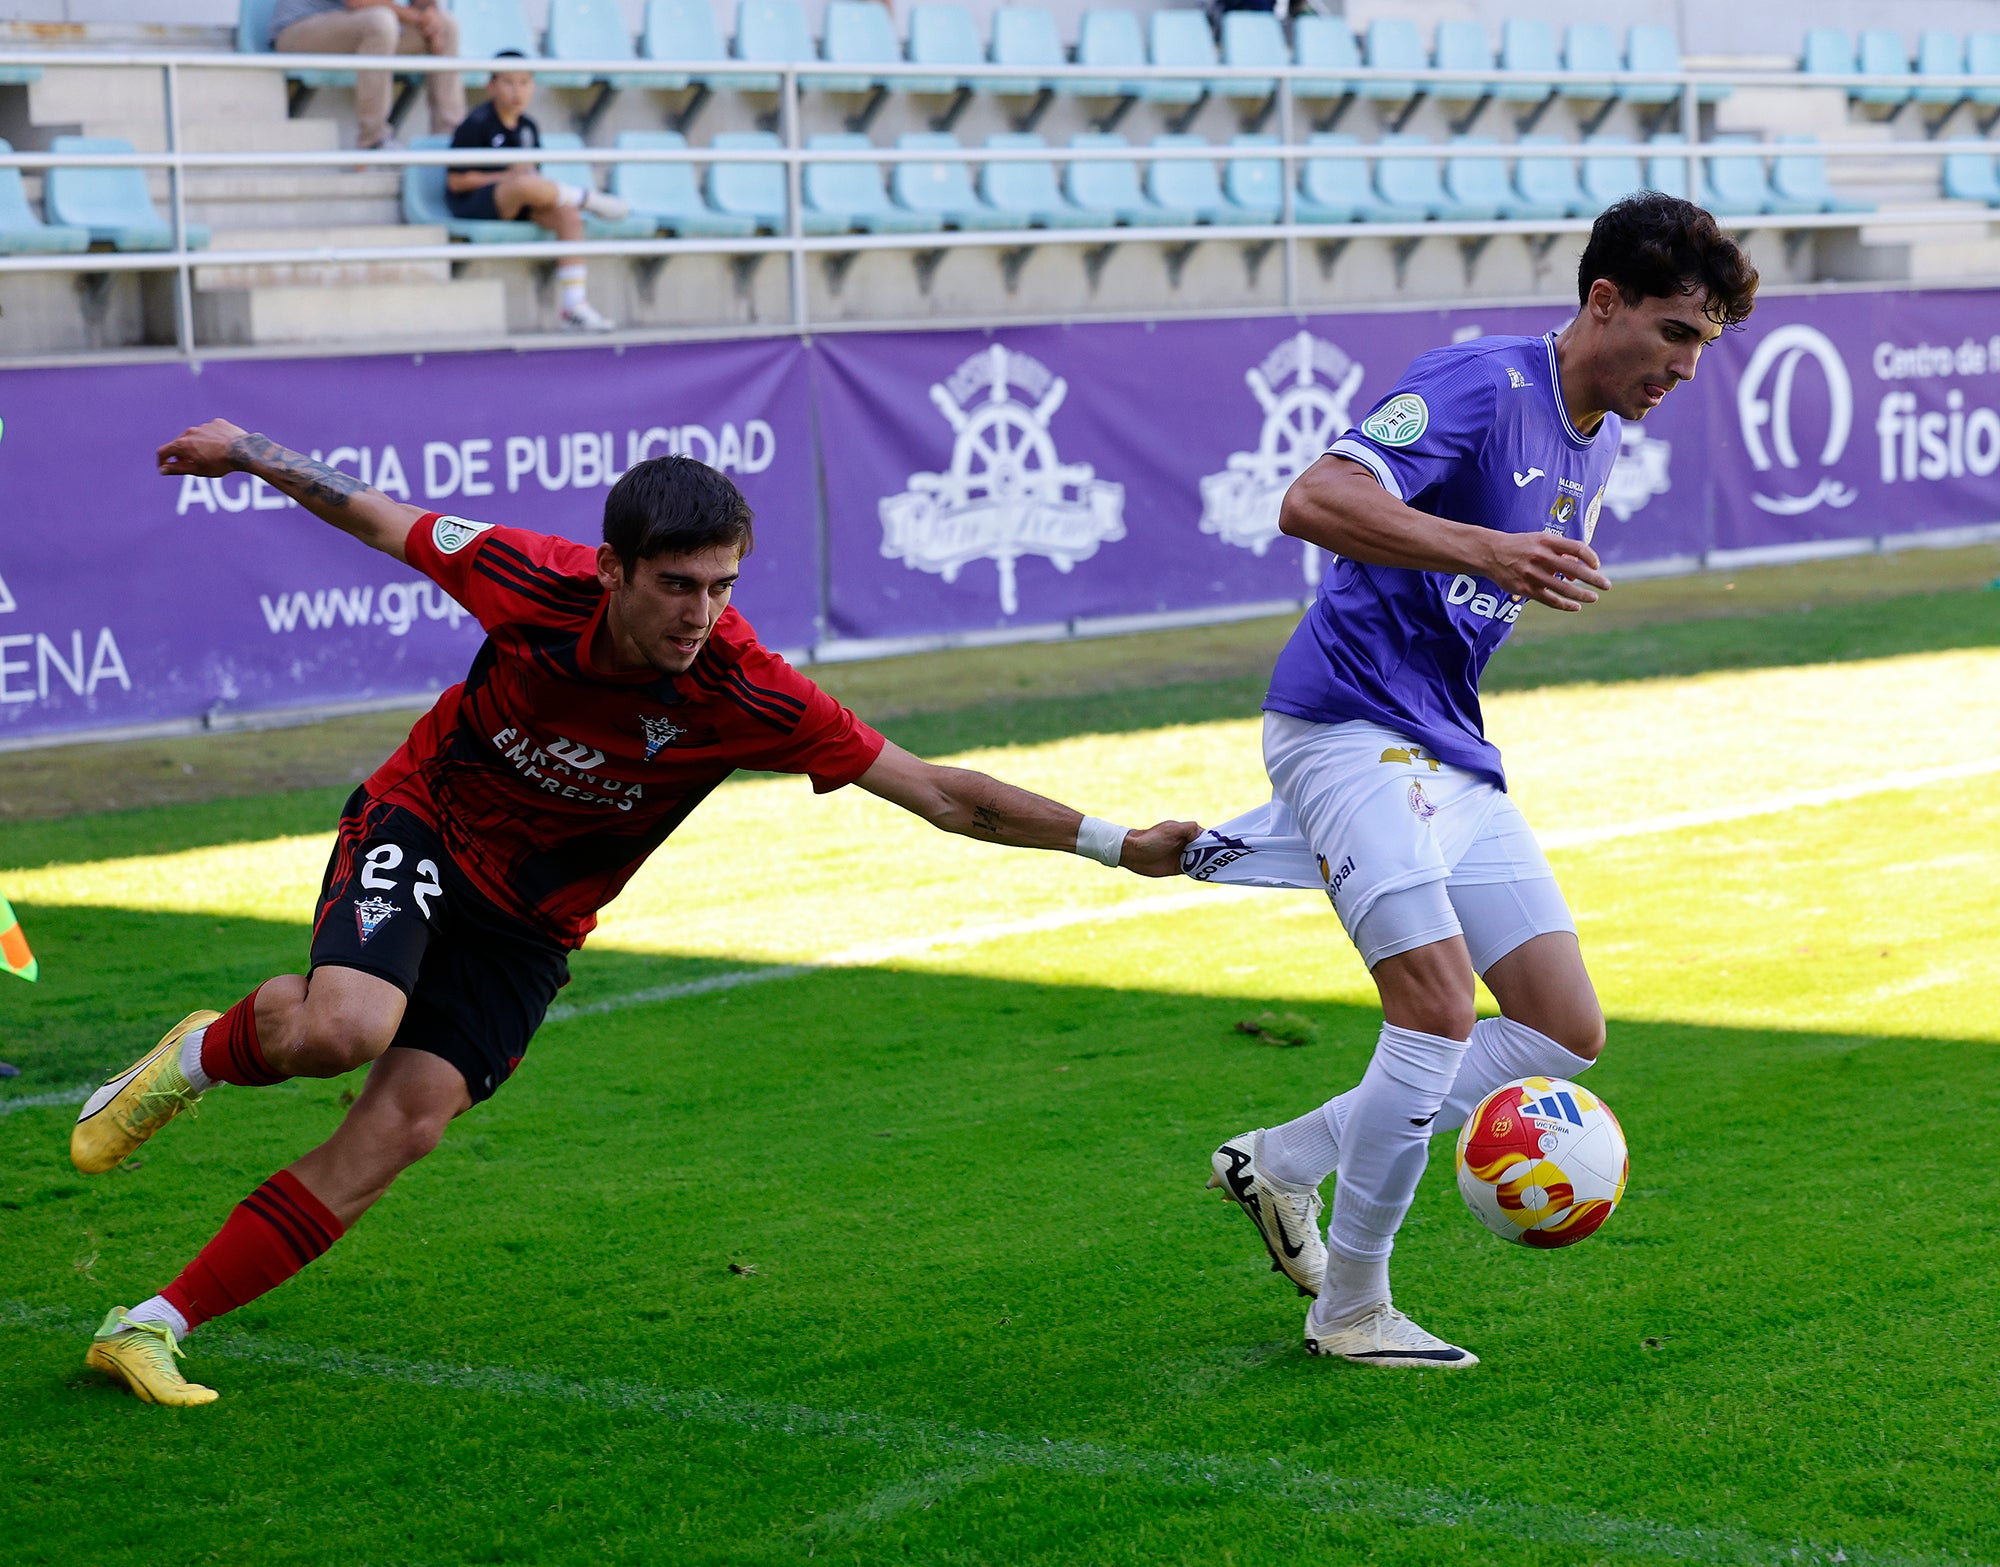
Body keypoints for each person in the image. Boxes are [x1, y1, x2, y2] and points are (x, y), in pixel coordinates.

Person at [74, 420, 1201, 1406]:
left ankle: (148, 1324)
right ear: (613, 569)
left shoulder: (746, 689)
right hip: (422, 822)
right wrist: (247, 453)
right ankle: (203, 1058)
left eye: (722, 587)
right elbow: (376, 517)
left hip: (534, 921)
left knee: (400, 1126)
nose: (701, 613)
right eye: (677, 586)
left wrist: (1113, 842)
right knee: (343, 1029)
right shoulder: (527, 576)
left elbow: (943, 793)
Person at [1185, 192, 1758, 1367]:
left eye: (1703, 343)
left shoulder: (1589, 440)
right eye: (1675, 333)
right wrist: (1486, 546)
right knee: (1439, 1013)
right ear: (1602, 302)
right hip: (1345, 723)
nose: (1686, 368)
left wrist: (1484, 563)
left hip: (1442, 741)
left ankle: (1283, 1161)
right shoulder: (1479, 385)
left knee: (1560, 1025)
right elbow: (1312, 499)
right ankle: (1350, 1304)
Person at [447, 53, 630, 333]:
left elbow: (534, 178)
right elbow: (456, 181)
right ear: (491, 86)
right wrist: (505, 176)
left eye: (524, 82)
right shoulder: (476, 123)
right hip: (479, 202)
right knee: (521, 183)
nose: (517, 91)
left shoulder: (529, 127)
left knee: (567, 215)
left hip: (522, 201)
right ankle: (588, 199)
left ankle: (574, 306)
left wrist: (524, 180)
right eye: (508, 82)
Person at [271, 0, 466, 154]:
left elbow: (424, 5)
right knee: (379, 21)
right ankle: (373, 141)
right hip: (299, 29)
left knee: (447, 25)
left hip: (357, 29)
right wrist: (416, 17)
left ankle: (450, 142)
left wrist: (431, 17)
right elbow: (358, 2)